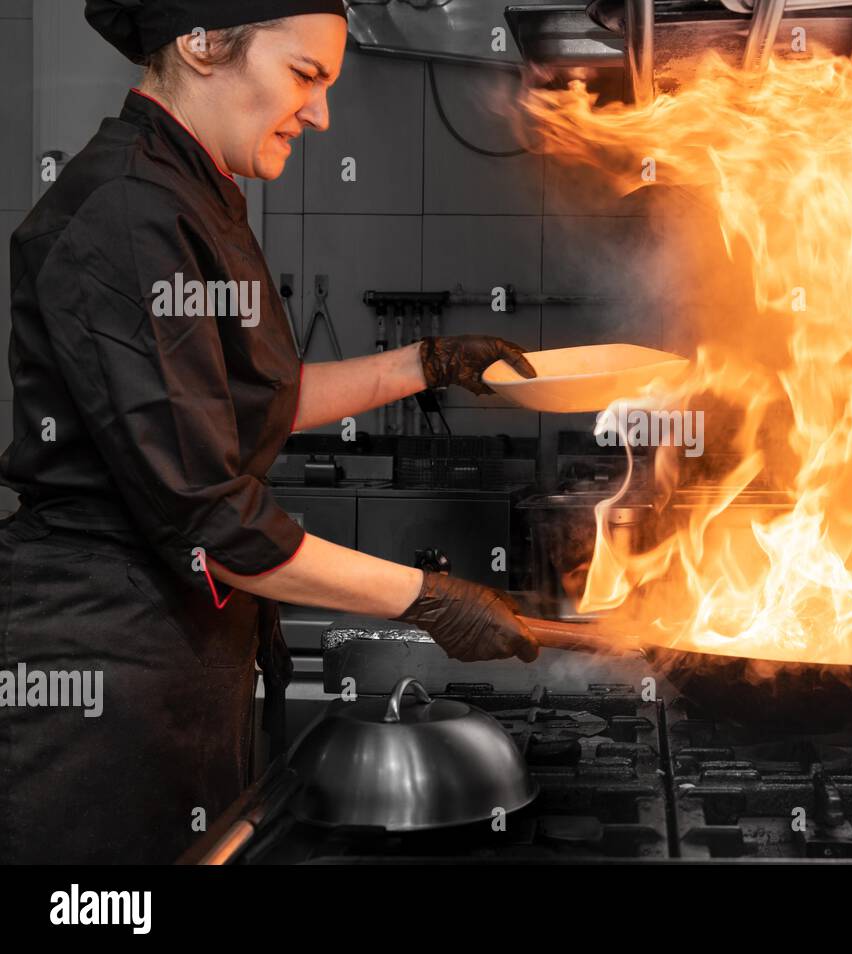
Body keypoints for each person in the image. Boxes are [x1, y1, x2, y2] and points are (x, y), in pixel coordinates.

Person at [0, 0, 540, 864]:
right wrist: (425, 599)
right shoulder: (129, 215)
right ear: (202, 41)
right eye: (304, 75)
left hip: (176, 649)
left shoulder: (192, 190)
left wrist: (427, 362)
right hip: (101, 671)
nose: (322, 113)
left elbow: (246, 402)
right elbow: (213, 520)